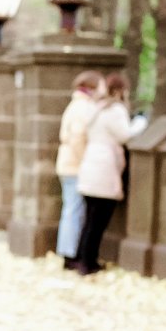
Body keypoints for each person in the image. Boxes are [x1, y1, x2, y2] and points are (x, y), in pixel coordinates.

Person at [73, 70, 135, 276]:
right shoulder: (115, 110)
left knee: (89, 219)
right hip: (105, 167)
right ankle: (88, 262)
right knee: (98, 221)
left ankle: (82, 257)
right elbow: (125, 135)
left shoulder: (94, 108)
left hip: (90, 165)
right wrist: (140, 125)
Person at [54, 71, 101, 266]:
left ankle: (68, 251)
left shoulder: (76, 105)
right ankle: (70, 253)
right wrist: (86, 162)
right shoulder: (83, 107)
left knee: (71, 208)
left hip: (68, 164)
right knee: (74, 210)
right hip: (75, 166)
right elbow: (77, 137)